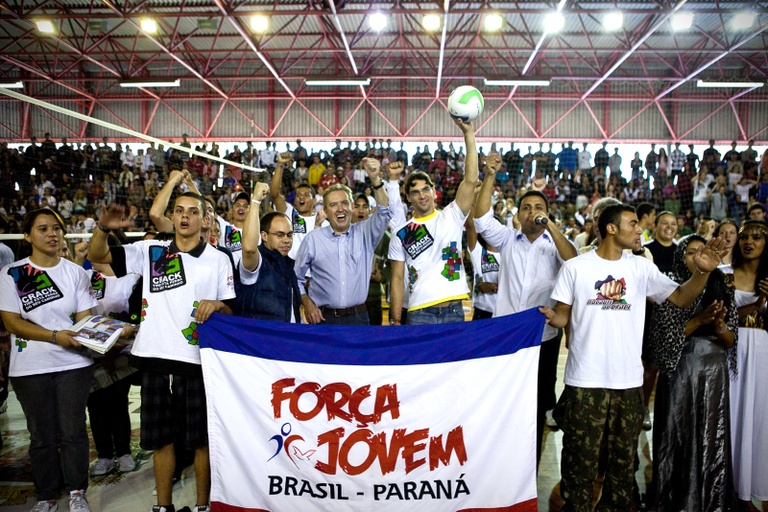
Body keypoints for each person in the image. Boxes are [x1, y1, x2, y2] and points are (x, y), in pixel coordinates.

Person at [539, 203, 726, 512]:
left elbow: (680, 297)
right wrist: (551, 316)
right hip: (584, 381)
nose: (640, 229)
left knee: (622, 472)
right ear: (611, 228)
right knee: (579, 471)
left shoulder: (640, 267)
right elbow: (562, 314)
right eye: (633, 223)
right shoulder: (576, 267)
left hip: (627, 384)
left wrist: (702, 272)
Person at [88, 195, 236, 512]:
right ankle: (163, 506)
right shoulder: (150, 251)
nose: (185, 217)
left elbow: (230, 308)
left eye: (193, 212)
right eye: (179, 211)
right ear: (171, 216)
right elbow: (95, 255)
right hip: (154, 361)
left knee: (201, 441)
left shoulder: (219, 259)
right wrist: (103, 228)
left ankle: (201, 505)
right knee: (160, 441)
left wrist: (219, 305)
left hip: (198, 362)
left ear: (204, 218)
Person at [474, 154, 577, 465]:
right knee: (501, 401)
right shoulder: (508, 240)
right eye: (527, 208)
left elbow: (574, 263)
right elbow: (480, 218)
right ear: (518, 215)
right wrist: (489, 176)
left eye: (539, 208)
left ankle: (527, 467)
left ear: (547, 213)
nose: (533, 212)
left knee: (535, 405)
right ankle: (497, 462)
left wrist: (552, 228)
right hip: (505, 335)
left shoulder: (556, 244)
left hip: (543, 338)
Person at [0, 209, 98, 512]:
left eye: (57, 228)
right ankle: (46, 495)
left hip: (74, 365)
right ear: (27, 235)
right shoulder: (11, 274)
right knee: (41, 435)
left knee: (73, 431)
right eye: (43, 228)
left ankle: (77, 491)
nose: (52, 234)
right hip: (30, 366)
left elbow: (85, 321)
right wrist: (56, 336)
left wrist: (102, 334)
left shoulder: (75, 273)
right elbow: (13, 323)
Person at [649, 235, 738, 511]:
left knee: (712, 436)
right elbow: (662, 343)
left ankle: (712, 500)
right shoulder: (668, 287)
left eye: (702, 251)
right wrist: (699, 320)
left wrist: (721, 325)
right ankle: (674, 500)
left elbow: (730, 341)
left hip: (714, 372)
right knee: (677, 434)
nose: (697, 257)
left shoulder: (722, 288)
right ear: (680, 258)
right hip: (680, 371)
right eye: (690, 253)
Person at [389, 119, 479, 325]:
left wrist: (469, 134)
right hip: (419, 313)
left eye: (425, 189)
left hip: (454, 311)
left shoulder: (452, 215)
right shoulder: (402, 232)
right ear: (408, 198)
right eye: (415, 192)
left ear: (434, 192)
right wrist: (395, 320)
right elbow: (396, 279)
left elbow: (471, 180)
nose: (421, 195)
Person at [295, 158, 391, 326]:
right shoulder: (313, 239)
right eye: (333, 205)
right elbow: (296, 278)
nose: (340, 209)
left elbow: (384, 211)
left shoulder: (366, 233)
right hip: (324, 319)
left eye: (344, 203)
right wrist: (307, 303)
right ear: (325, 211)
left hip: (359, 318)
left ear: (351, 206)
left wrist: (376, 180)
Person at [730, 220, 768, 511]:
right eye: (744, 237)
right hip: (731, 352)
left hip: (762, 355)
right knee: (732, 417)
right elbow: (722, 319)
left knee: (759, 420)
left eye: (757, 237)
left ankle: (758, 489)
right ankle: (734, 493)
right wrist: (757, 305)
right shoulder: (725, 277)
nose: (749, 242)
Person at [237, 182, 301, 322]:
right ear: (264, 236)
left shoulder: (289, 265)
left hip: (286, 339)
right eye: (280, 235)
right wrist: (255, 201)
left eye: (289, 235)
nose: (286, 240)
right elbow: (248, 249)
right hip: (262, 340)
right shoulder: (258, 263)